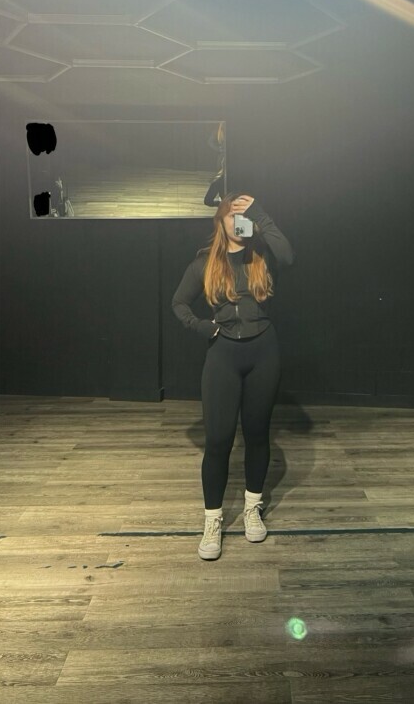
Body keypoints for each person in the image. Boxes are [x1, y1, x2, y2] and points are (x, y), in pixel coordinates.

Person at [171, 192, 295, 560]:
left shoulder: (262, 255)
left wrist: (261, 215)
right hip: (223, 355)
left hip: (264, 353)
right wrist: (201, 326)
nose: (238, 222)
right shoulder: (204, 263)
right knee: (218, 440)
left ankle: (252, 509)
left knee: (257, 434)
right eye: (232, 216)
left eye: (244, 217)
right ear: (220, 222)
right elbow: (179, 302)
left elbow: (289, 256)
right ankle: (213, 520)